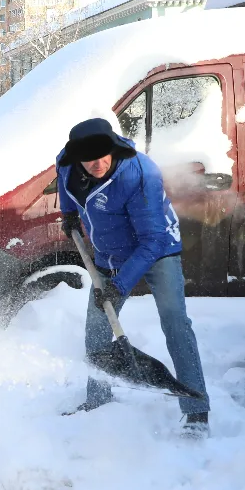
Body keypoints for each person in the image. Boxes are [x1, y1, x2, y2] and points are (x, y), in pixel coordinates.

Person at [56, 117, 210, 435]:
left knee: (175, 324)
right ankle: (98, 402)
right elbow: (62, 177)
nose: (96, 163)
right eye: (88, 158)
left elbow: (152, 240)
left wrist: (120, 285)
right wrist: (68, 213)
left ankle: (196, 411)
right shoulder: (68, 164)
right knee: (97, 334)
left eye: (103, 155)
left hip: (156, 250)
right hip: (107, 253)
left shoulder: (140, 173)